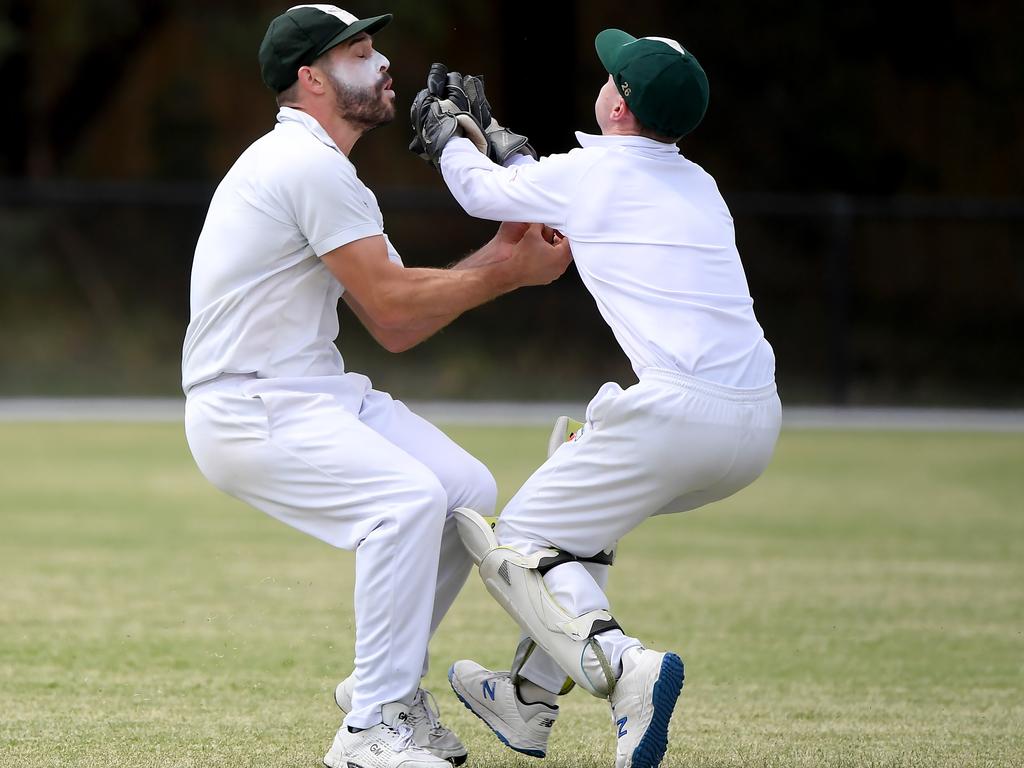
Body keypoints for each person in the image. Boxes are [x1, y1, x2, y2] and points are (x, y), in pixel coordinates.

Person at [181, 7, 571, 768]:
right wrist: (511, 272)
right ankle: (370, 733)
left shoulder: (326, 168)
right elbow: (395, 306)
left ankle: (382, 692)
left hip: (310, 393)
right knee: (406, 502)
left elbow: (394, 320)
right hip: (248, 407)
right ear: (311, 79)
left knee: (463, 488)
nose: (384, 63)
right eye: (359, 52)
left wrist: (502, 249)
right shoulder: (305, 166)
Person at [409, 29, 782, 768]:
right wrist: (513, 149)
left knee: (516, 541)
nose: (605, 79)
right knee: (575, 510)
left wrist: (450, 135)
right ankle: (526, 698)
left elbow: (483, 193)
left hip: (680, 415)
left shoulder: (593, 176)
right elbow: (574, 190)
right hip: (756, 422)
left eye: (614, 75)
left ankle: (624, 668)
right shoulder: (696, 183)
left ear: (618, 105)